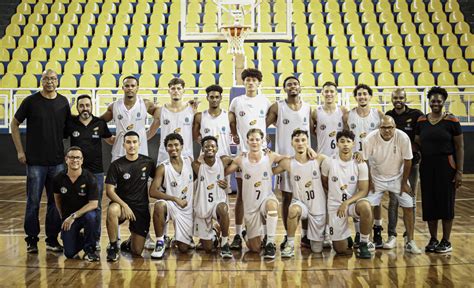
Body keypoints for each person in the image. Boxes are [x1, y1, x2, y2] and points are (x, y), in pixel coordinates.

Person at [10, 69, 69, 253]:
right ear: (41, 81)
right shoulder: (31, 101)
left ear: (57, 81)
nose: (49, 81)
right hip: (35, 162)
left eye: (53, 78)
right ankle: (32, 240)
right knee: (33, 201)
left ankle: (52, 240)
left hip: (58, 162)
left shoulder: (63, 102)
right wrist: (20, 151)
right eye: (46, 78)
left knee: (55, 202)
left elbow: (68, 129)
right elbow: (14, 124)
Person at [363, 116, 422, 254]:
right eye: (383, 127)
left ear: (394, 127)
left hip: (397, 177)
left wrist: (404, 183)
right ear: (379, 128)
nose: (387, 130)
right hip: (377, 178)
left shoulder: (403, 137)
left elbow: (408, 161)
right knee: (368, 206)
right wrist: (370, 181)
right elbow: (365, 161)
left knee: (408, 204)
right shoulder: (370, 139)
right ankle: (369, 241)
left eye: (390, 127)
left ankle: (410, 241)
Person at [415, 86, 464, 253]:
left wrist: (459, 171)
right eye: (433, 100)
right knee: (430, 203)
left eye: (439, 100)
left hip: (447, 166)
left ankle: (446, 240)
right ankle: (433, 239)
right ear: (429, 102)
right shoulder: (421, 121)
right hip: (427, 166)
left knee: (446, 203)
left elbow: (459, 147)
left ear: (444, 102)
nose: (435, 103)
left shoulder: (452, 121)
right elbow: (417, 142)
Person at [266, 76, 312, 249]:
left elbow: (314, 130)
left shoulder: (308, 108)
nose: (293, 86)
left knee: (307, 196)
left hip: (304, 159)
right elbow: (262, 126)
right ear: (284, 88)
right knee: (287, 197)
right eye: (289, 84)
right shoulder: (278, 107)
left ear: (300, 87)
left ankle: (307, 236)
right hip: (285, 160)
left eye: (295, 83)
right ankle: (288, 235)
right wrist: (266, 148)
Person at [225, 128, 285, 259]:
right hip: (250, 206)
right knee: (255, 249)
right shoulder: (241, 159)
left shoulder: (270, 156)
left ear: (262, 141)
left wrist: (273, 170)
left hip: (265, 199)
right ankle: (246, 234)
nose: (254, 142)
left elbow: (287, 161)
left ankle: (270, 242)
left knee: (272, 206)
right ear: (246, 141)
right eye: (251, 139)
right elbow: (225, 171)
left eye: (257, 139)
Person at [228, 68, 271, 250]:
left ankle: (263, 233)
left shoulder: (265, 101)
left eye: (254, 80)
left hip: (261, 156)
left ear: (259, 83)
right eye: (247, 80)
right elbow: (231, 120)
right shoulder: (237, 101)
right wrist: (234, 135)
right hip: (243, 154)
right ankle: (237, 234)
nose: (251, 83)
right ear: (243, 82)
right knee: (241, 196)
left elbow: (270, 119)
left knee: (262, 195)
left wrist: (266, 136)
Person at [65, 94, 114, 250]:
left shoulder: (99, 123)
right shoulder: (71, 124)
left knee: (96, 206)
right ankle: (74, 237)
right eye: (81, 105)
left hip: (96, 173)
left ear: (92, 106)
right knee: (74, 204)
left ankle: (95, 239)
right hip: (76, 173)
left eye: (87, 105)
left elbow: (109, 139)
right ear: (77, 107)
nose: (84, 108)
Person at [272, 130, 327, 258]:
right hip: (300, 203)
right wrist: (272, 156)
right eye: (297, 140)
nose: (300, 143)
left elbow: (339, 162)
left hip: (317, 208)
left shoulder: (319, 159)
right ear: (292, 143)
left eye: (303, 140)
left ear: (308, 142)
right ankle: (290, 244)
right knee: (292, 209)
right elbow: (268, 170)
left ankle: (324, 237)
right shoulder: (288, 162)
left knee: (317, 250)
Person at [320, 130, 373, 259]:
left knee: (366, 206)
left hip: (352, 203)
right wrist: (337, 198)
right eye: (342, 141)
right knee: (340, 250)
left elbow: (363, 190)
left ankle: (364, 243)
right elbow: (325, 183)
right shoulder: (329, 162)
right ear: (337, 143)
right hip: (335, 205)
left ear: (353, 144)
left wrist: (347, 202)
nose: (345, 144)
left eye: (348, 142)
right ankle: (346, 237)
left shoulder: (360, 163)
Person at [104, 131, 156, 261]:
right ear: (123, 145)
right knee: (112, 210)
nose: (131, 145)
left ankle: (129, 242)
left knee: (137, 251)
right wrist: (124, 205)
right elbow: (109, 191)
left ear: (139, 143)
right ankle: (113, 246)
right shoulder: (116, 165)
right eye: (128, 142)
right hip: (122, 206)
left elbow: (158, 181)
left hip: (140, 208)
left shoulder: (148, 162)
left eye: (134, 142)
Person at [343, 83, 384, 248]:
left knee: (376, 195)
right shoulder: (348, 115)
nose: (362, 97)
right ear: (355, 97)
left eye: (365, 94)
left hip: (374, 161)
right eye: (359, 94)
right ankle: (360, 232)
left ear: (370, 96)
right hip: (356, 161)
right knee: (357, 194)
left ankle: (378, 228)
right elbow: (347, 136)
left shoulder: (378, 114)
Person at [384, 88, 423, 249]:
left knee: (410, 200)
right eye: (395, 98)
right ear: (392, 99)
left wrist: (413, 151)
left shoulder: (416, 115)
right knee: (393, 201)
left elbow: (420, 139)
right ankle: (392, 235)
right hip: (393, 166)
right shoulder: (388, 115)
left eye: (401, 97)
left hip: (411, 164)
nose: (398, 100)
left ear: (406, 98)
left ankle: (409, 237)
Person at [149, 133, 194, 259]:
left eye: (176, 145)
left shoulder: (189, 161)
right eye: (170, 146)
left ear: (182, 146)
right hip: (171, 205)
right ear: (166, 148)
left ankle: (177, 238)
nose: (173, 148)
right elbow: (152, 191)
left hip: (186, 209)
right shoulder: (163, 167)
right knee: (159, 205)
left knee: (184, 249)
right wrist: (174, 198)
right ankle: (160, 241)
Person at [53, 147, 99, 261]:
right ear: (66, 159)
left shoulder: (90, 178)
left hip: (84, 216)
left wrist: (74, 216)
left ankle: (90, 250)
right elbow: (57, 199)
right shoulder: (58, 178)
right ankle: (82, 237)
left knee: (92, 217)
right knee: (69, 253)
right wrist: (64, 218)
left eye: (78, 157)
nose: (75, 160)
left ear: (82, 160)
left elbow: (93, 204)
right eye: (71, 157)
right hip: (69, 218)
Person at [192, 136, 233, 258]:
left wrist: (225, 177)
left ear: (217, 148)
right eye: (206, 146)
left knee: (223, 208)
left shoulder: (224, 160)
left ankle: (225, 243)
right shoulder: (196, 165)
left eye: (212, 146)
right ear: (202, 149)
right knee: (208, 249)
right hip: (203, 206)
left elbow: (238, 161)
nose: (209, 148)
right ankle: (215, 230)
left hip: (217, 203)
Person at [101, 75, 158, 161]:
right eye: (127, 86)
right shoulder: (114, 106)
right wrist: (108, 138)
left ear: (137, 88)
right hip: (119, 153)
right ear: (123, 88)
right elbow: (99, 122)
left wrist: (149, 133)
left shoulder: (145, 104)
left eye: (132, 86)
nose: (130, 88)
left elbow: (160, 116)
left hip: (140, 152)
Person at [192, 84, 232, 193]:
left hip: (224, 159)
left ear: (221, 98)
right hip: (206, 159)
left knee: (223, 191)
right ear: (207, 98)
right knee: (204, 191)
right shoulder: (200, 116)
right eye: (212, 97)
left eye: (217, 97)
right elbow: (195, 136)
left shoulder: (229, 116)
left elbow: (235, 134)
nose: (214, 100)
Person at [149, 78, 195, 164]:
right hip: (165, 156)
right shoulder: (160, 111)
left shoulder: (192, 110)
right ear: (169, 91)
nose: (176, 91)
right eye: (173, 88)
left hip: (186, 156)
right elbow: (150, 133)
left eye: (179, 88)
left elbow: (197, 132)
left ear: (183, 91)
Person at [313, 81, 346, 156]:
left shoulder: (343, 110)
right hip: (322, 155)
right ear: (322, 93)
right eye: (326, 91)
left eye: (332, 91)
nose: (329, 94)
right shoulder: (316, 112)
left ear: (336, 93)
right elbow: (312, 132)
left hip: (339, 156)